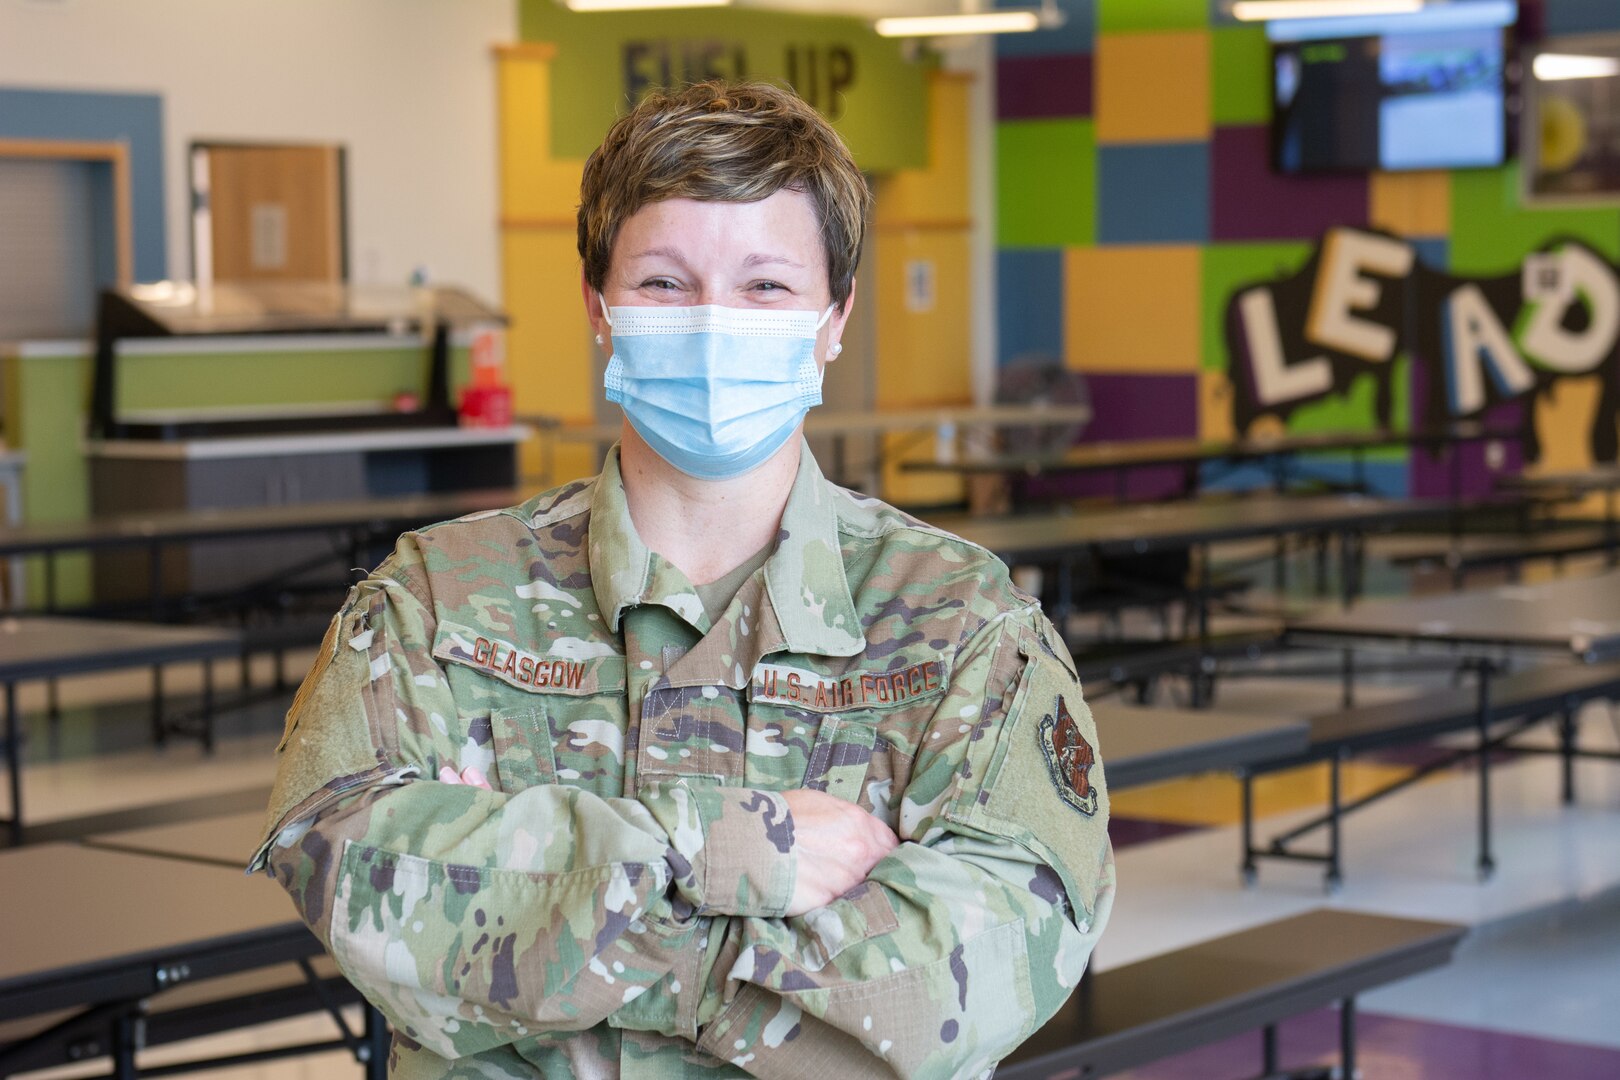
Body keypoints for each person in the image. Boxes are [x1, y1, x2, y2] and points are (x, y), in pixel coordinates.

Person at [251, 80, 1113, 1080]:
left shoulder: (964, 622)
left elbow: (980, 966)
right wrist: (720, 852)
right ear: (599, 307)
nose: (715, 324)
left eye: (765, 288)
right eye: (664, 283)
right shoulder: (436, 600)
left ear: (834, 318)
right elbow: (354, 873)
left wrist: (560, 945)